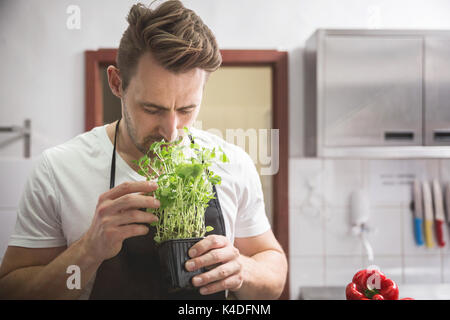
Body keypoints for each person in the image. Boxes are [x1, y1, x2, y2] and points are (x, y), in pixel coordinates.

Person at [0, 0, 287, 300]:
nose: (171, 130)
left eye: (187, 109)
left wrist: (243, 269)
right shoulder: (58, 169)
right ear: (116, 83)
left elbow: (273, 268)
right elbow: (11, 290)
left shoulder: (235, 164)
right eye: (152, 108)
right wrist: (88, 251)